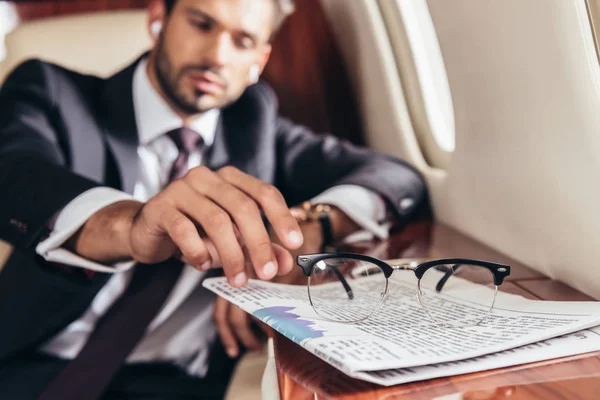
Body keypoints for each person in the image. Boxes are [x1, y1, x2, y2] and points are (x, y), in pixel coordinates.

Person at [0, 0, 427, 398]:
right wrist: (129, 226)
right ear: (157, 20)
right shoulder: (53, 90)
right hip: (35, 363)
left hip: (181, 380)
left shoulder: (254, 123)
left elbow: (396, 176)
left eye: (242, 42)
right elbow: (14, 174)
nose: (217, 55)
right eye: (201, 24)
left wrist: (313, 226)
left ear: (258, 61)